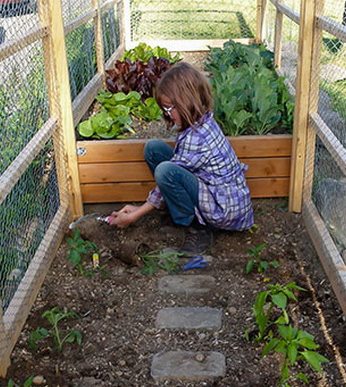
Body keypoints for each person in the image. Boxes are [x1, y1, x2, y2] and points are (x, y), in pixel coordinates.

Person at [108, 61, 253, 256]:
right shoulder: (201, 120)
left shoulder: (198, 138)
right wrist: (140, 208)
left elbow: (170, 173)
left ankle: (194, 225)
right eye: (165, 109)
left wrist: (135, 215)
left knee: (165, 171)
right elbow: (180, 164)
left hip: (224, 209)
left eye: (170, 108)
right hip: (213, 189)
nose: (167, 114)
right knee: (154, 149)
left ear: (187, 102)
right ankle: (179, 210)